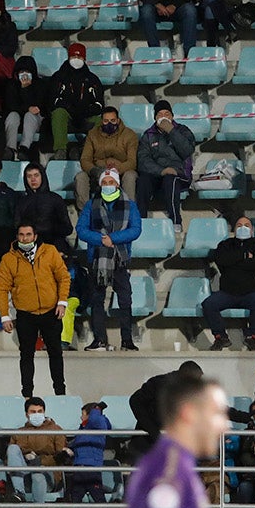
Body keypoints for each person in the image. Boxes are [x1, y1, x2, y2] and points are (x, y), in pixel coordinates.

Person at [124, 375, 226, 508]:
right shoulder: (167, 470)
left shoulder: (178, 464)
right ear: (189, 414)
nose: (224, 425)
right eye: (216, 414)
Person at [0, 223, 70, 396]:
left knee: (56, 353)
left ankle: (60, 393)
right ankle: (27, 395)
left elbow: (64, 277)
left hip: (51, 311)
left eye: (28, 234)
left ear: (35, 236)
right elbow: (1, 288)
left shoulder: (50, 251)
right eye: (21, 235)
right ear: (17, 236)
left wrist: (62, 302)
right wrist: (5, 315)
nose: (24, 238)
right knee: (26, 355)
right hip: (26, 314)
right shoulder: (8, 259)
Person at [76, 168, 142, 352]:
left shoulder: (130, 205)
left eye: (110, 182)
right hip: (97, 259)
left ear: (117, 184)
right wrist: (101, 240)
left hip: (120, 259)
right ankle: (99, 340)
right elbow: (81, 229)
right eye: (104, 183)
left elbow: (135, 229)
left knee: (125, 300)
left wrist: (114, 239)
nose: (107, 186)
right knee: (97, 300)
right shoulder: (91, 204)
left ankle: (127, 340)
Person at [203, 216, 255, 352]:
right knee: (208, 304)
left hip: (252, 293)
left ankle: (252, 336)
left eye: (246, 225)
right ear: (234, 230)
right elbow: (221, 260)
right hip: (228, 293)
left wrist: (234, 261)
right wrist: (245, 256)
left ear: (252, 229)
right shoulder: (225, 244)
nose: (243, 228)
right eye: (239, 225)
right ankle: (220, 337)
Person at [135, 100, 195, 229]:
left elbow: (187, 151)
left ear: (172, 116)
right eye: (160, 114)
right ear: (155, 118)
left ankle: (175, 222)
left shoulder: (183, 131)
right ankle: (140, 222)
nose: (163, 117)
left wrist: (171, 131)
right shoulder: (148, 135)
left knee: (170, 180)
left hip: (179, 173)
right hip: (158, 173)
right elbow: (143, 160)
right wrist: (162, 171)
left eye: (167, 114)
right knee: (142, 181)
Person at [62, 401, 114, 508]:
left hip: (92, 469)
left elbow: (97, 420)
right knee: (76, 498)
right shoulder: (82, 431)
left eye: (83, 414)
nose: (80, 417)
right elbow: (77, 445)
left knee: (99, 498)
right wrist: (69, 450)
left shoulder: (98, 425)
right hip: (79, 468)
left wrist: (97, 408)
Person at [75, 106, 139, 211]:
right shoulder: (92, 134)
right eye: (106, 121)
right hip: (98, 172)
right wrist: (96, 171)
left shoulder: (129, 135)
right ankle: (85, 212)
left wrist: (116, 170)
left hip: (121, 171)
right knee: (81, 177)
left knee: (130, 176)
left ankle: (129, 210)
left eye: (113, 121)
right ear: (101, 121)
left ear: (118, 120)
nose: (109, 124)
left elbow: (132, 162)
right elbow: (85, 159)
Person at [49, 41, 105, 156]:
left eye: (79, 56)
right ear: (69, 57)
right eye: (73, 56)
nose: (76, 59)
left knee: (101, 121)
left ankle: (86, 149)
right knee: (58, 113)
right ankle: (60, 150)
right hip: (68, 117)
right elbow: (53, 100)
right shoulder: (59, 77)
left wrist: (85, 111)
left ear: (84, 58)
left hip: (86, 117)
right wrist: (70, 108)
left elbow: (99, 104)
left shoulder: (92, 79)